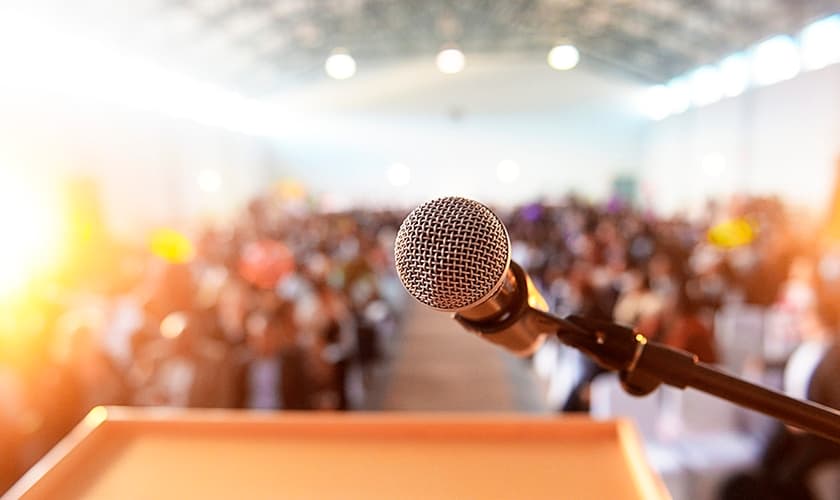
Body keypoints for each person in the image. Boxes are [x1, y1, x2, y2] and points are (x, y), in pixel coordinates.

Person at [720, 296, 840, 500]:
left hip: (819, 435)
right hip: (791, 427)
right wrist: (763, 362)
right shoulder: (807, 347)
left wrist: (807, 423)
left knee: (788, 477)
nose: (800, 322)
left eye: (805, 317)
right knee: (764, 465)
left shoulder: (834, 354)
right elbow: (790, 361)